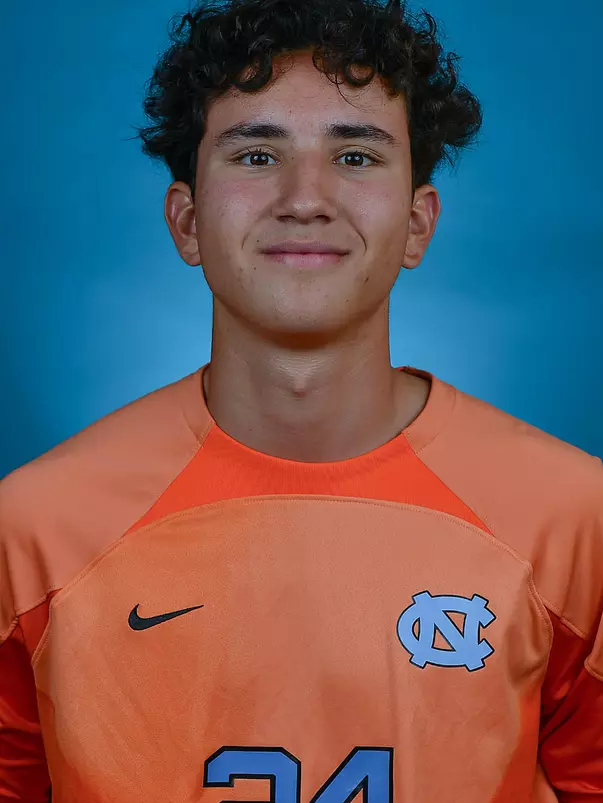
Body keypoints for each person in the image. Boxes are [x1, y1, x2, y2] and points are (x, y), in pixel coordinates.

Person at [1, 0, 601, 799]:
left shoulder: (570, 519)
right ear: (185, 220)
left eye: (355, 157)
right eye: (255, 156)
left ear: (418, 223)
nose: (304, 197)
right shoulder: (35, 529)